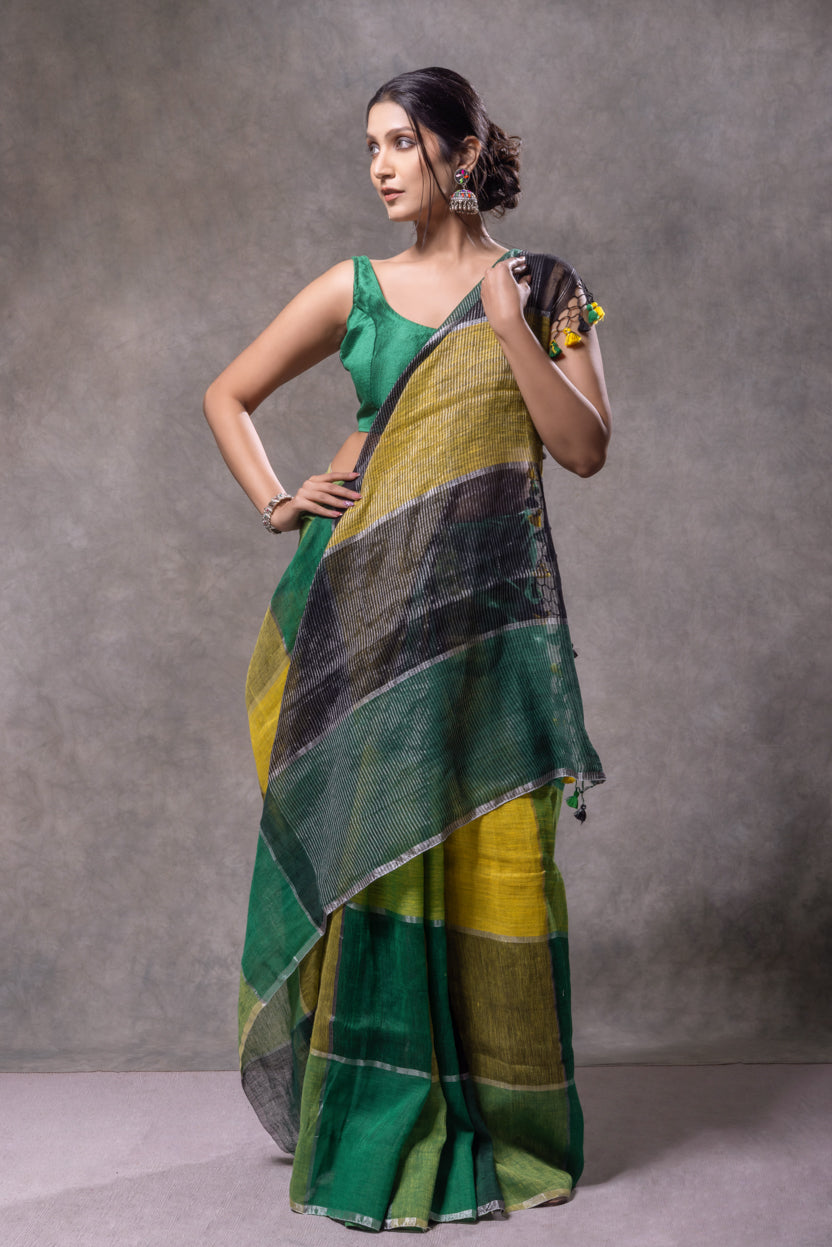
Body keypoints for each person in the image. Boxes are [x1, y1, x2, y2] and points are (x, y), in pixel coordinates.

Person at [203, 66, 611, 1231]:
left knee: (501, 869)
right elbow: (226, 394)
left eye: (399, 143)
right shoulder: (357, 287)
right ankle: (379, 1120)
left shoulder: (544, 288)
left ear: (459, 148)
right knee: (376, 865)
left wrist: (506, 329)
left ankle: (507, 1116)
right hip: (363, 626)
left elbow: (583, 448)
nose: (380, 165)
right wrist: (281, 500)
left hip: (485, 639)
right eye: (369, 146)